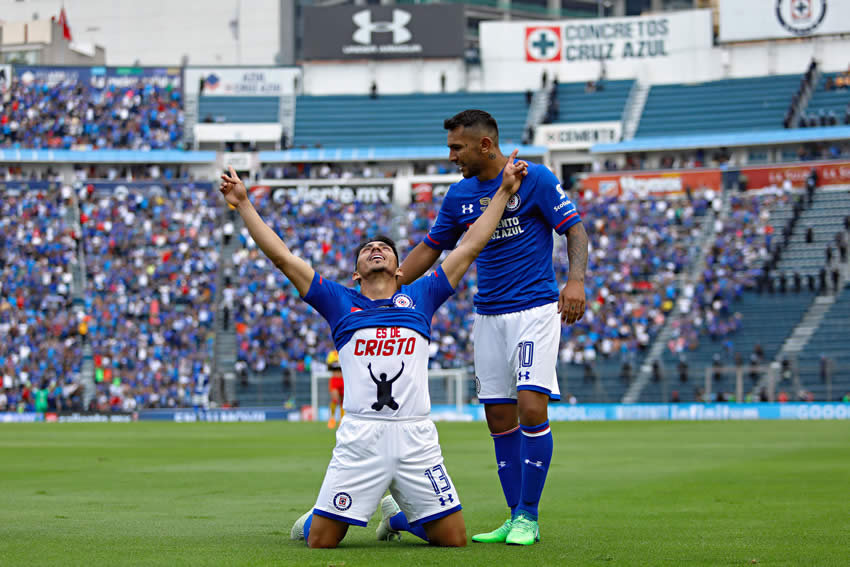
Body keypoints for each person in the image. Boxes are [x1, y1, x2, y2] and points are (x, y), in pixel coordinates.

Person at [220, 154, 527, 549]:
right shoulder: (337, 301)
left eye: (385, 247)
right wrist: (244, 203)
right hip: (361, 436)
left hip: (415, 434)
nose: (376, 249)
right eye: (368, 249)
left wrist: (502, 192)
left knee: (453, 540)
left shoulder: (422, 295)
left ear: (401, 270)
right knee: (320, 541)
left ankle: (397, 518)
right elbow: (283, 258)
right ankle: (321, 515)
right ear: (355, 272)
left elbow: (468, 247)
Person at [397, 109, 589, 546]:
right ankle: (511, 515)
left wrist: (574, 280)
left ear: (485, 145)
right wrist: (391, 285)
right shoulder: (459, 195)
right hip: (487, 315)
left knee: (531, 408)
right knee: (499, 419)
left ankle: (529, 516)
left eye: (456, 147)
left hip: (534, 309)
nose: (451, 156)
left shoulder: (535, 179)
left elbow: (575, 231)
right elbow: (431, 247)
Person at [325, 349, 344, 429]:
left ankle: (341, 420)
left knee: (343, 402)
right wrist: (336, 363)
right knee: (335, 399)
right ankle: (332, 418)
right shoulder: (332, 354)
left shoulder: (345, 350)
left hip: (344, 379)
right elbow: (328, 366)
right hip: (335, 379)